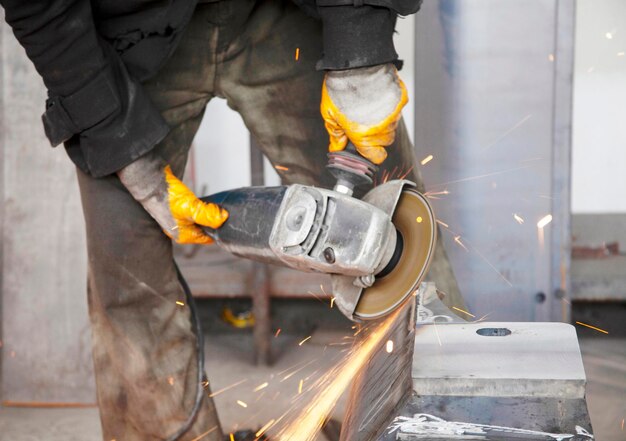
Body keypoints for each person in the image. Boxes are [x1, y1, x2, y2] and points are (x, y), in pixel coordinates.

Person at [0, 0, 463, 440]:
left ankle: (448, 414)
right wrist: (119, 144)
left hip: (280, 13)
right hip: (126, 36)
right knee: (126, 275)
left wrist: (359, 50)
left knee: (395, 231)